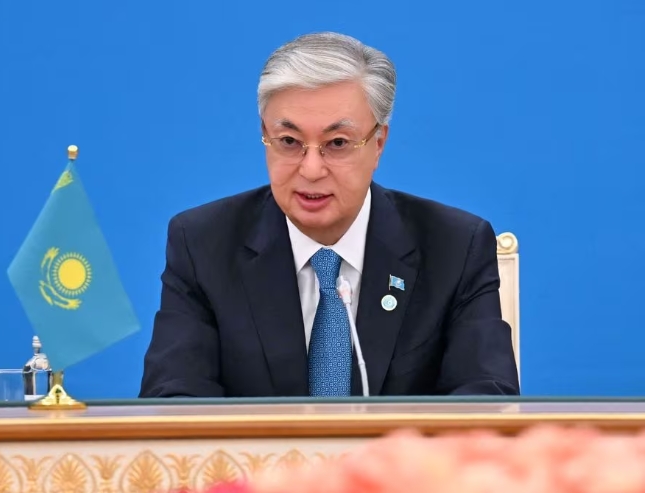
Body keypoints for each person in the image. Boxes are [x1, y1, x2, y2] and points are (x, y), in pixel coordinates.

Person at [139, 32, 520, 398]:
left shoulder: (454, 247)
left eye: (337, 143)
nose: (311, 169)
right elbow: (175, 400)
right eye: (289, 142)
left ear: (378, 144)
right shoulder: (204, 244)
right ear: (265, 136)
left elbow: (485, 401)